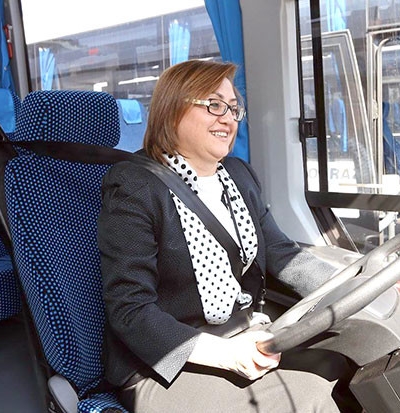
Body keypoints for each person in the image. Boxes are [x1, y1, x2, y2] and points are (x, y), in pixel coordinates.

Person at [98, 60, 342, 412]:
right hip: (162, 365)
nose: (227, 118)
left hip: (240, 331)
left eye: (233, 108)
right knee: (309, 398)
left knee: (346, 355)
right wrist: (226, 354)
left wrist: (356, 283)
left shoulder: (239, 175)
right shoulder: (134, 187)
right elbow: (130, 311)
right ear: (171, 111)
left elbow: (282, 253)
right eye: (213, 105)